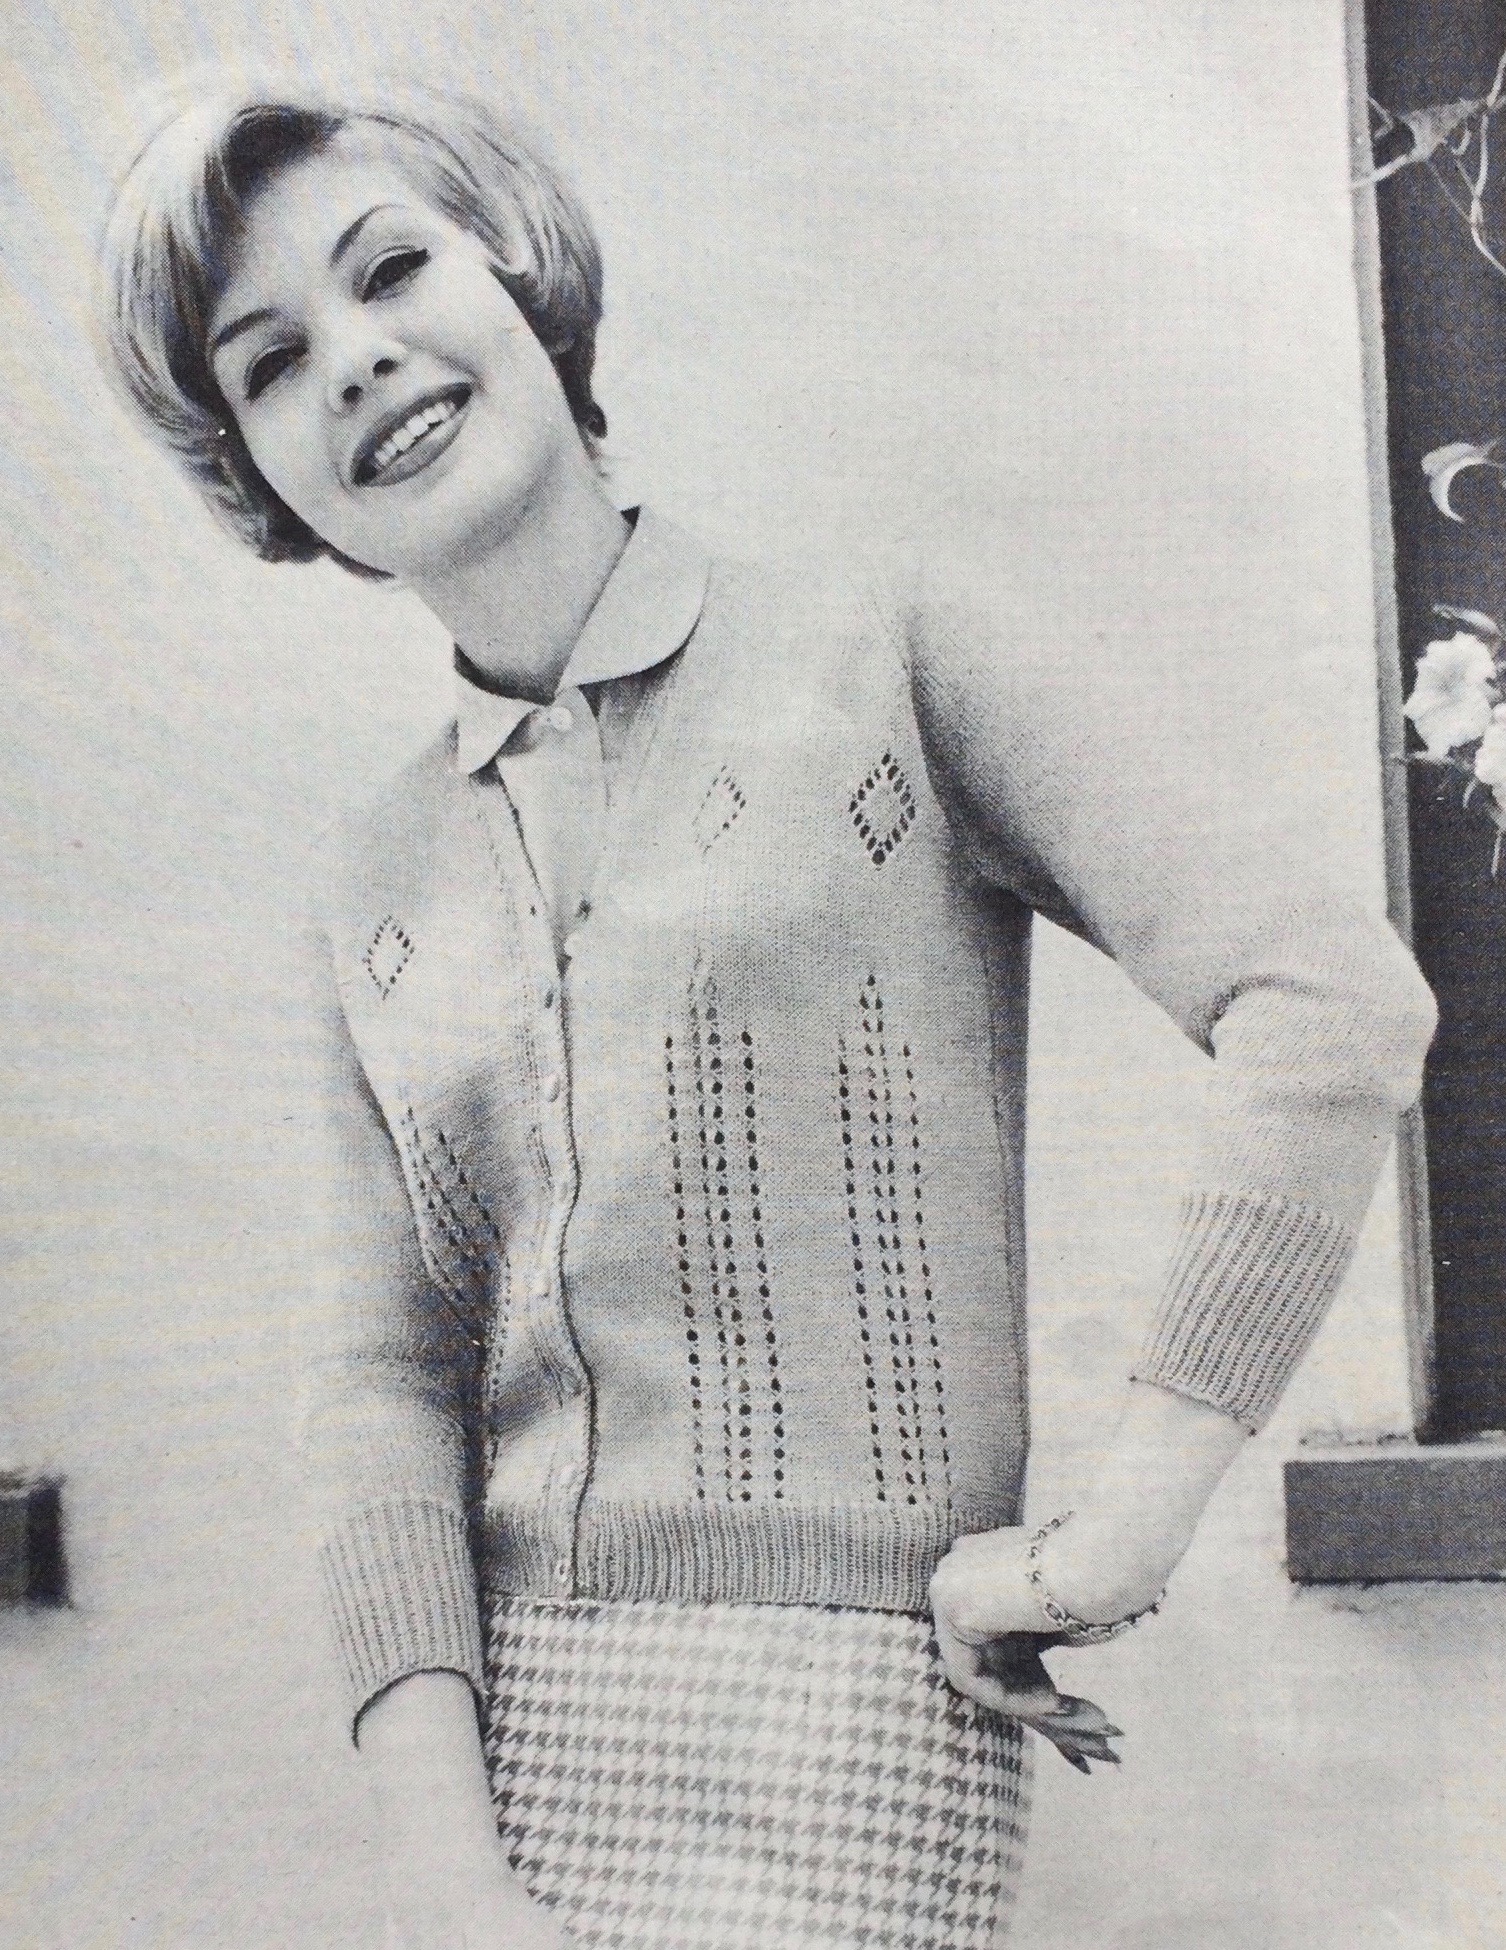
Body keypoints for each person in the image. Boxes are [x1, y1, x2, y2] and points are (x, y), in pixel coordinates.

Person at [97, 79, 1438, 1950]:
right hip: (503, 1799)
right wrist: (446, 1881)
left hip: (856, 1744)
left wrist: (1120, 1532)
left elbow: (1326, 998)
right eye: (270, 360)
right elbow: (379, 1386)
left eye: (389, 268)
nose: (357, 358)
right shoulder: (370, 881)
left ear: (521, 275)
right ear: (256, 470)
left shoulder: (880, 648)